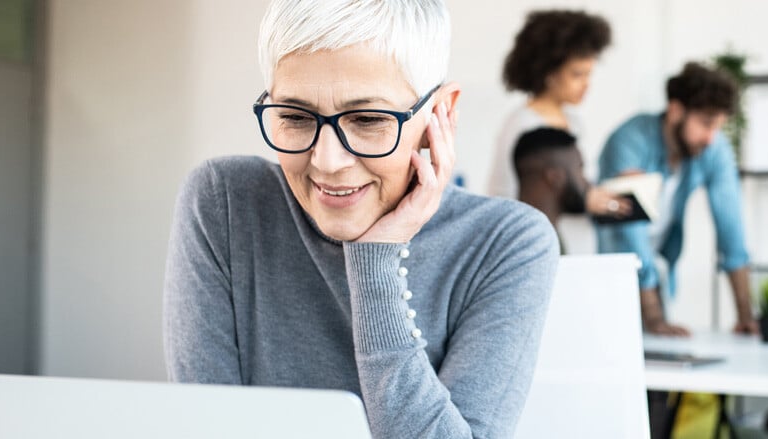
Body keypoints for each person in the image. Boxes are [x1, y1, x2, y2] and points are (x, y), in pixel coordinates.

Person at [162, 1, 559, 438]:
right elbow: (204, 427)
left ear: (439, 114)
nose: (328, 161)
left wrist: (374, 262)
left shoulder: (508, 241)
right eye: (295, 117)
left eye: (368, 119)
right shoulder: (225, 203)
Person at [597, 62, 757, 336]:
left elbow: (731, 225)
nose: (711, 138)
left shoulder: (712, 148)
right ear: (676, 110)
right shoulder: (630, 140)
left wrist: (746, 316)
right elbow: (629, 230)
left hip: (657, 270)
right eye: (706, 123)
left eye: (718, 126)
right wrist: (654, 316)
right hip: (613, 275)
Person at [487, 10, 626, 216]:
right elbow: (519, 196)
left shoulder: (574, 122)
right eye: (577, 74)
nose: (587, 84)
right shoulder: (523, 125)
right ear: (549, 73)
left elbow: (578, 182)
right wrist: (582, 199)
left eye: (589, 74)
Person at [513, 127, 630, 253]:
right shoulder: (533, 243)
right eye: (580, 169)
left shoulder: (534, 233)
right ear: (555, 177)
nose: (587, 183)